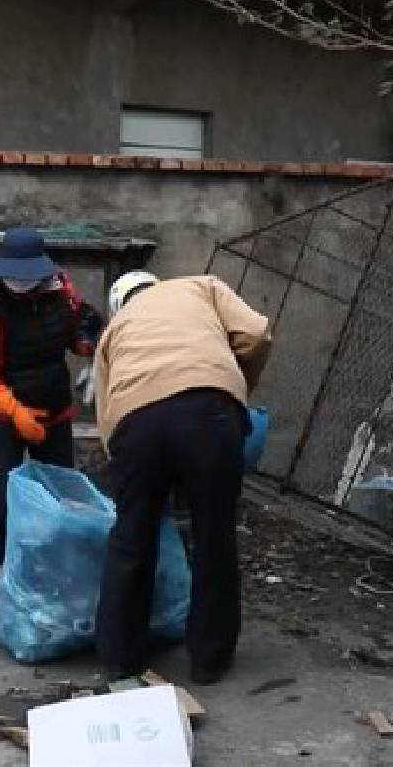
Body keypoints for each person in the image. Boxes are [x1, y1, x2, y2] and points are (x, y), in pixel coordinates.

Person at [93, 271, 271, 684]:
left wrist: (127, 472)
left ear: (120, 303)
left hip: (136, 423)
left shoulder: (113, 331)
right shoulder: (201, 286)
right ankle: (209, 660)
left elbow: (106, 415)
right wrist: (237, 382)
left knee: (132, 537)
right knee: (214, 535)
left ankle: (121, 658)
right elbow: (257, 333)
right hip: (209, 412)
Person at [0, 227, 103, 623]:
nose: (21, 282)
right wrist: (15, 411)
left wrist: (95, 343)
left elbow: (80, 340)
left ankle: (59, 583)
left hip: (55, 410)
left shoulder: (64, 296)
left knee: (62, 501)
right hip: (2, 415)